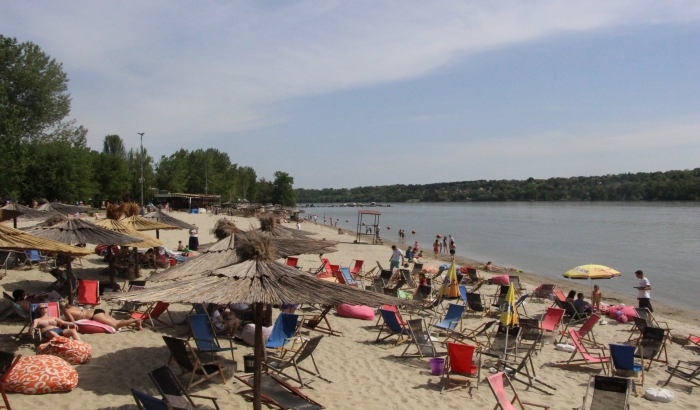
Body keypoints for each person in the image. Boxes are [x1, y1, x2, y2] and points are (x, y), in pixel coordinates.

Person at [61, 302, 142, 330]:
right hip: (97, 311)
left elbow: (72, 322)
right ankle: (135, 325)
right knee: (115, 321)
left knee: (115, 325)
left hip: (94, 315)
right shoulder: (71, 307)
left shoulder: (67, 311)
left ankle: (135, 320)